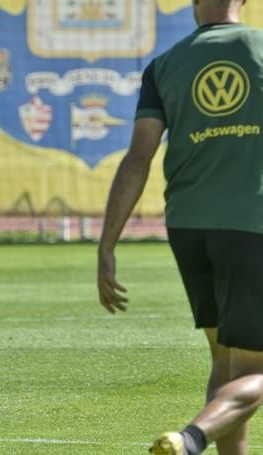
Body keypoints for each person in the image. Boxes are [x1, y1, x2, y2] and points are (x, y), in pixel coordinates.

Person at [96, 1, 263, 453]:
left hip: (189, 227)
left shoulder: (164, 65)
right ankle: (191, 439)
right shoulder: (260, 48)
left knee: (226, 363)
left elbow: (138, 159)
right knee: (254, 371)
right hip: (251, 224)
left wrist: (106, 245)